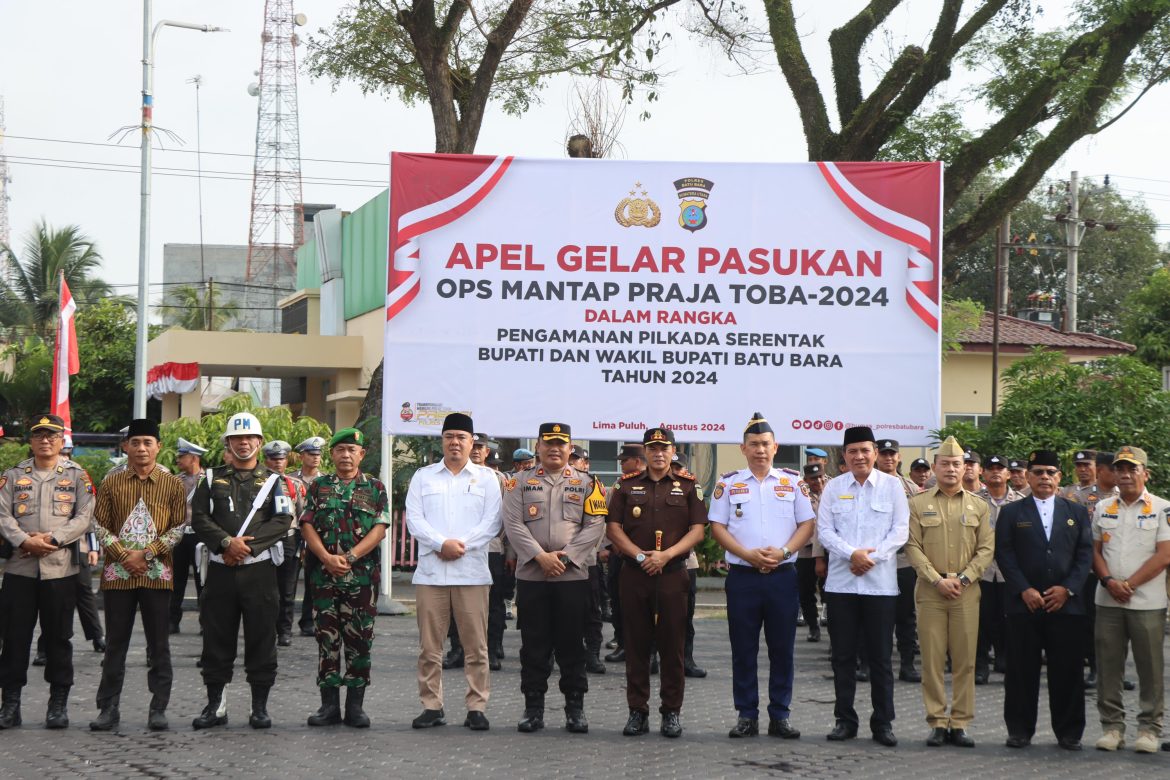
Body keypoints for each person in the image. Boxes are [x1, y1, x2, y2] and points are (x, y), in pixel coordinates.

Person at [709, 413, 814, 740]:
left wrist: (782, 553)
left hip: (782, 576)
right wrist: (748, 555)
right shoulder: (728, 483)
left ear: (775, 446)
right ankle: (746, 715)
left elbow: (807, 525)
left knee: (783, 649)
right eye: (753, 444)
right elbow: (717, 527)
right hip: (743, 577)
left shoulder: (793, 482)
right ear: (743, 448)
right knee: (743, 649)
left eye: (765, 444)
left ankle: (780, 715)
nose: (760, 450)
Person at [190, 412, 295, 730]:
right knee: (216, 639)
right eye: (237, 438)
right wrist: (225, 543)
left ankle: (259, 707)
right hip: (221, 570)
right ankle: (215, 706)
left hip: (258, 571)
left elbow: (282, 521)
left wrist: (246, 547)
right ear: (228, 443)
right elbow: (198, 517)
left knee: (263, 638)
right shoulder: (209, 478)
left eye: (250, 438)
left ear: (260, 443)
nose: (244, 443)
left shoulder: (274, 481)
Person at [502, 422, 607, 734]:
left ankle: (575, 709)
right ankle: (533, 709)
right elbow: (513, 524)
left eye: (561, 443)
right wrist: (540, 557)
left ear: (570, 447)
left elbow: (595, 525)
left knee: (572, 645)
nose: (555, 448)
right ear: (538, 446)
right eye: (549, 443)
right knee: (534, 646)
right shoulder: (517, 482)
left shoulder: (589, 483)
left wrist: (566, 557)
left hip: (572, 577)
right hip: (533, 577)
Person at [607, 427, 707, 738]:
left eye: (664, 448)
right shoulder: (627, 485)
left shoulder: (688, 486)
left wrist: (666, 556)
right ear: (646, 453)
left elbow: (698, 530)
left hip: (673, 573)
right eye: (652, 448)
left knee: (672, 646)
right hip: (635, 574)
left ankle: (671, 713)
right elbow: (613, 528)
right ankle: (637, 711)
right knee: (636, 644)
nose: (658, 453)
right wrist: (640, 557)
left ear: (673, 451)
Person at [89, 418, 188, 732]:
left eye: (148, 442)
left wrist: (146, 554)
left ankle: (158, 708)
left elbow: (179, 528)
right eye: (135, 442)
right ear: (125, 446)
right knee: (116, 643)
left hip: (157, 575)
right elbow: (99, 525)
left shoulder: (173, 483)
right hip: (118, 576)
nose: (142, 448)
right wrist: (123, 555)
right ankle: (108, 708)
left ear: (158, 447)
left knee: (159, 644)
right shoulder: (111, 482)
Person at [404, 415, 501, 731]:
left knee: (476, 647)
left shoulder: (487, 479)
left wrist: (460, 546)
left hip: (471, 573)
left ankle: (476, 706)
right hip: (432, 574)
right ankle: (432, 706)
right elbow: (414, 520)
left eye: (461, 436)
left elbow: (492, 522)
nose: (455, 442)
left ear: (473, 442)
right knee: (430, 649)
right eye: (449, 436)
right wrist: (440, 543)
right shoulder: (424, 477)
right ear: (441, 440)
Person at [0, 414, 96, 730]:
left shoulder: (77, 476)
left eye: (51, 435)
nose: (45, 440)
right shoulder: (13, 476)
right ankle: (10, 706)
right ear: (31, 440)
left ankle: (58, 705)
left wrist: (53, 539)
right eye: (39, 435)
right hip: (20, 569)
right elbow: (2, 515)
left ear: (61, 440)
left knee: (59, 639)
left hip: (60, 570)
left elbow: (85, 516)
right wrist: (25, 540)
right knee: (14, 639)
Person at [816, 426, 910, 747]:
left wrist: (873, 557)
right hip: (842, 585)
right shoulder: (833, 488)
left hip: (880, 585)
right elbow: (825, 531)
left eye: (865, 450)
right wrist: (851, 554)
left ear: (875, 453)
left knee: (881, 658)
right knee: (842, 657)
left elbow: (900, 531)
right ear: (844, 456)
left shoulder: (892, 486)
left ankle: (883, 723)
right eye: (852, 451)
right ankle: (845, 720)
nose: (859, 456)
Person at [995, 449, 1092, 750]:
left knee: (1068, 670)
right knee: (1021, 671)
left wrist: (1068, 589)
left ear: (1060, 477)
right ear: (1027, 476)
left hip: (1066, 604)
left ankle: (1069, 732)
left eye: (1051, 472)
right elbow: (1005, 554)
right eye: (1038, 472)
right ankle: (1020, 730)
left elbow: (1085, 554)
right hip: (1025, 603)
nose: (1044, 477)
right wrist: (1024, 588)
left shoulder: (1075, 512)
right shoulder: (1012, 512)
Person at [904, 436, 994, 748]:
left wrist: (965, 579)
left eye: (957, 464)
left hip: (967, 592)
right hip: (931, 590)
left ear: (965, 468)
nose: (952, 469)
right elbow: (912, 546)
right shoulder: (917, 504)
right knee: (931, 659)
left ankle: (960, 722)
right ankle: (937, 721)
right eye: (946, 464)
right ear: (935, 467)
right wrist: (935, 579)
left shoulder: (979, 506)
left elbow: (986, 549)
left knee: (965, 660)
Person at [301, 427, 390, 729]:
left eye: (352, 450)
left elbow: (380, 528)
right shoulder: (319, 486)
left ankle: (355, 707)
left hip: (362, 579)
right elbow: (307, 525)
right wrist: (327, 558)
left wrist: (350, 558)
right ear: (333, 454)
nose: (346, 455)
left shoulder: (375, 487)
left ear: (361, 454)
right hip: (324, 577)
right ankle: (328, 707)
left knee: (360, 641)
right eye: (340, 450)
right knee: (327, 640)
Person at [1090, 446, 1170, 753]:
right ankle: (1112, 727)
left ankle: (1149, 728)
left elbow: (1164, 555)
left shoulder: (1162, 508)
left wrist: (1128, 584)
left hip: (1146, 602)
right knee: (1109, 667)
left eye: (1131, 469)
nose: (1124, 474)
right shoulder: (1103, 508)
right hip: (1108, 600)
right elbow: (1095, 551)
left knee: (1150, 668)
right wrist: (1110, 582)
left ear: (1145, 473)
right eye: (1120, 469)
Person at [974, 454, 1024, 684]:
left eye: (1000, 468)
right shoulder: (972, 500)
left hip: (1010, 572)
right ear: (982, 473)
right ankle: (980, 665)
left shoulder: (1021, 503)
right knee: (981, 619)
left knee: (1009, 619)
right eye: (990, 468)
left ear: (1008, 474)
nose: (995, 472)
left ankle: (1005, 659)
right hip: (980, 570)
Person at [875, 439, 921, 683]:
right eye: (883, 454)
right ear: (876, 456)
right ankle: (868, 663)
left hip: (902, 560)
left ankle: (906, 664)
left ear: (899, 457)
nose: (888, 458)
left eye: (892, 454)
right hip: (873, 560)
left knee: (905, 616)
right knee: (872, 616)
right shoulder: (866, 483)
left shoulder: (911, 488)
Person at [262, 440, 306, 647]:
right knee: (264, 590)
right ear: (265, 460)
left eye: (281, 459)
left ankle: (284, 631)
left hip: (289, 538)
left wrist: (303, 545)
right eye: (273, 459)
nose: (277, 463)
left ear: (286, 460)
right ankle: (265, 630)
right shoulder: (258, 482)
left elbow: (302, 516)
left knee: (287, 590)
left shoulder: (294, 484)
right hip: (263, 540)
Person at [605, 443, 645, 663]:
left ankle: (648, 651)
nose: (621, 465)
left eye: (625, 460)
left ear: (637, 461)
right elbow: (607, 521)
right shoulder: (619, 486)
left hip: (644, 557)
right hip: (620, 555)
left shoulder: (653, 484)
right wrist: (611, 546)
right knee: (619, 602)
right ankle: (622, 643)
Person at [670, 452, 706, 678]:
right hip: (653, 560)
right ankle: (653, 657)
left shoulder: (692, 489)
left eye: (678, 467)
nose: (675, 471)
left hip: (685, 562)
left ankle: (686, 659)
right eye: (672, 467)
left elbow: (699, 526)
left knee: (685, 615)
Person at [169, 437, 208, 634]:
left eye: (181, 456)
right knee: (176, 581)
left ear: (193, 458)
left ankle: (205, 622)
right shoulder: (176, 482)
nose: (178, 460)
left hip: (201, 536)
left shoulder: (208, 481)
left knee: (204, 581)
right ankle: (172, 620)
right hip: (180, 535)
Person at [293, 436, 327, 637]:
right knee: (287, 584)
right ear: (302, 456)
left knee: (313, 583)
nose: (315, 458)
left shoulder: (326, 481)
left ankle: (308, 622)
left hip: (316, 536)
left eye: (318, 455)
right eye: (311, 454)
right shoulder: (290, 479)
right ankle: (283, 626)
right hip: (294, 534)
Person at [795, 463, 827, 643]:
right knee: (805, 592)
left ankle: (831, 626)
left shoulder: (832, 493)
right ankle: (813, 627)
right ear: (806, 480)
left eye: (821, 476)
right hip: (805, 552)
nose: (819, 481)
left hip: (826, 552)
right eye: (814, 478)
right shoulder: (800, 496)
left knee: (828, 591)